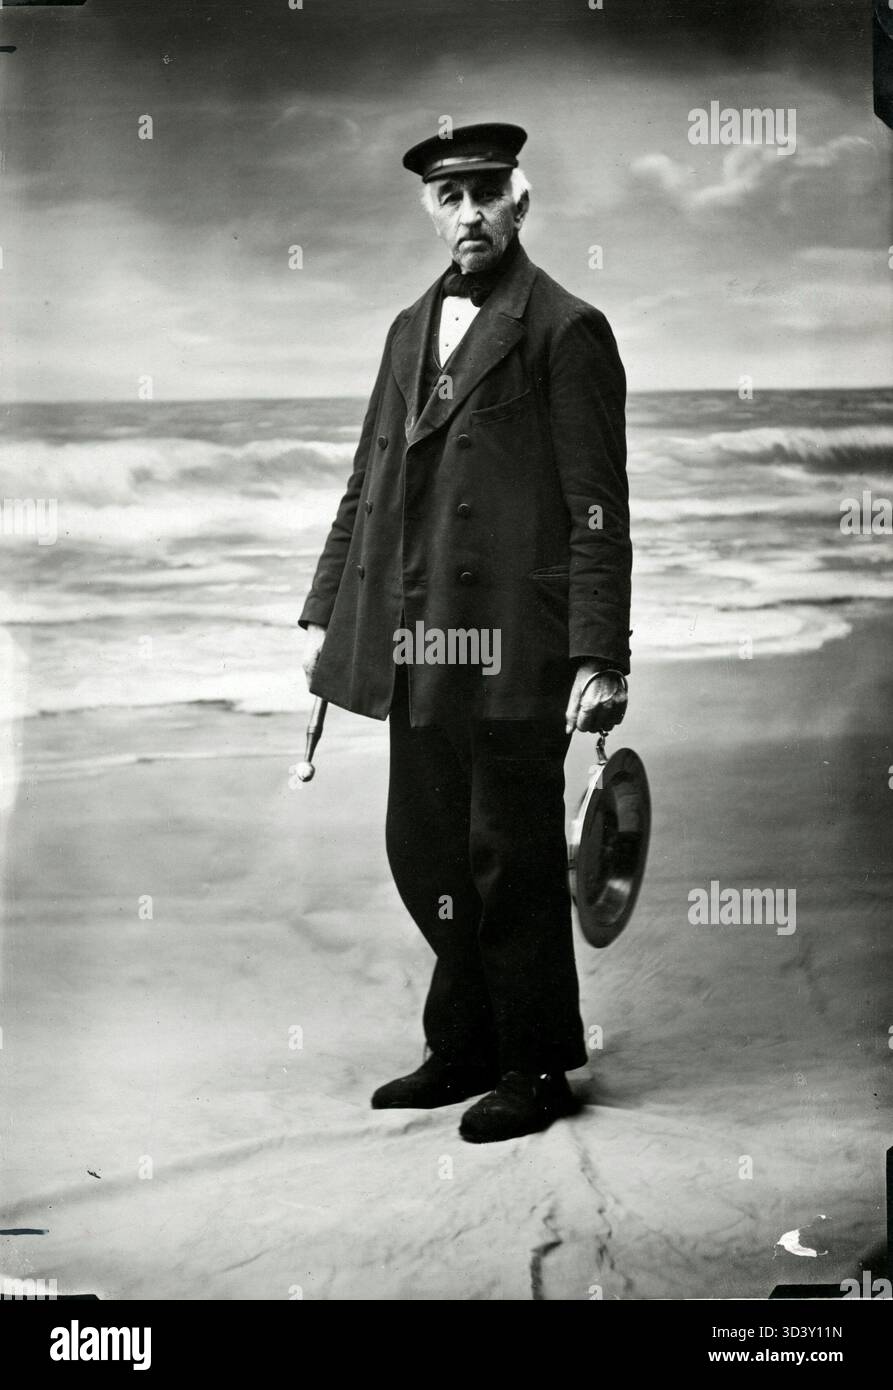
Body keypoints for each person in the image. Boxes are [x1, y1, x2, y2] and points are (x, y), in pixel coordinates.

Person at [300, 122, 631, 1143]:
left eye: (486, 192)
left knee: (511, 854)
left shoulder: (564, 328)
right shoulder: (407, 328)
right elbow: (368, 481)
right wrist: (321, 613)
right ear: (431, 210)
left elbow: (595, 507)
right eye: (450, 197)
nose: (468, 212)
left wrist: (598, 651)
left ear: (518, 203)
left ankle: (534, 1065)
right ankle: (468, 1039)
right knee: (423, 846)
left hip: (511, 641)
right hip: (416, 638)